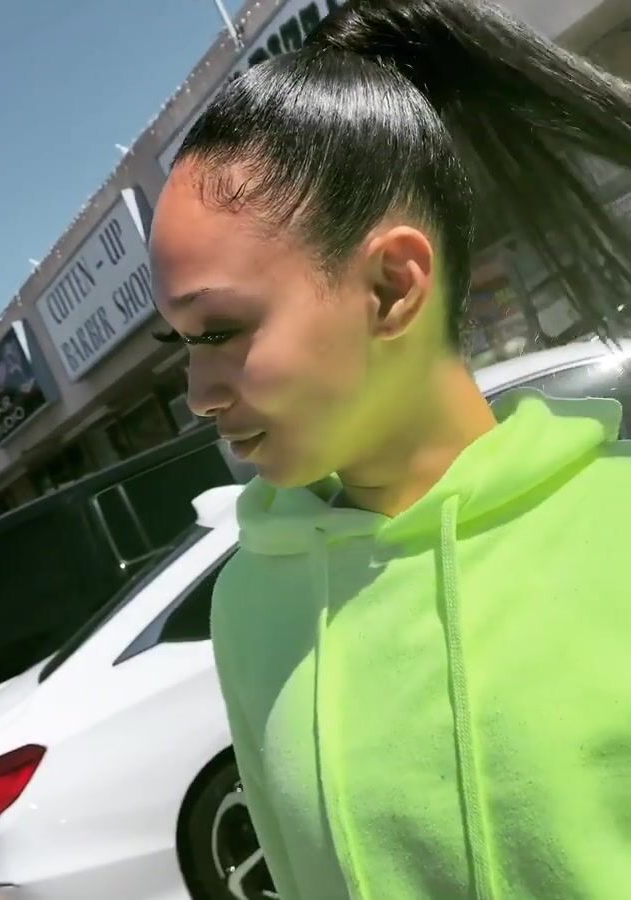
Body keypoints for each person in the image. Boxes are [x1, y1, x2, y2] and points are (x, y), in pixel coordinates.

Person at [149, 1, 631, 896]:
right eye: (181, 342)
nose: (198, 394)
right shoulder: (251, 604)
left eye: (218, 329)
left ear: (390, 286)